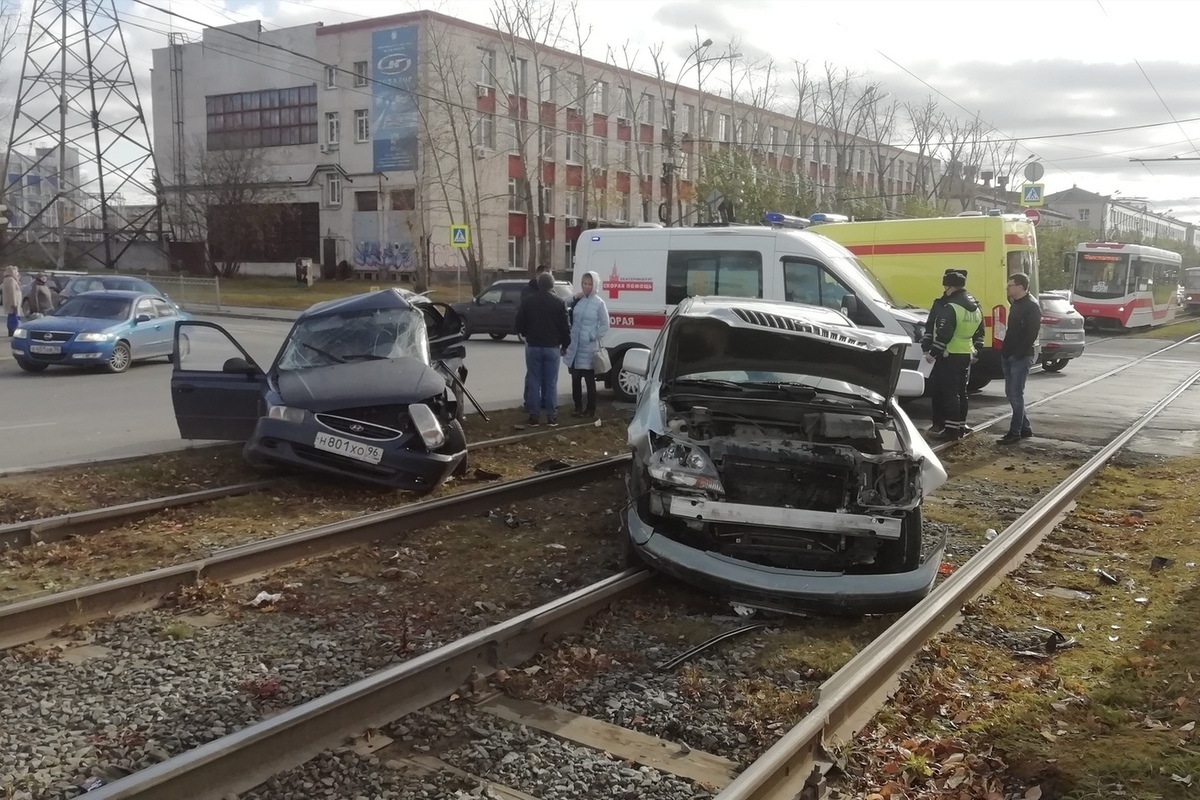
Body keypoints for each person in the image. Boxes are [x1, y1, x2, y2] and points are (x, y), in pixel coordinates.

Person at [924, 269, 984, 441]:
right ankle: (959, 426)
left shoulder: (951, 307)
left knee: (949, 393)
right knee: (961, 392)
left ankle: (950, 430)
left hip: (949, 354)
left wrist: (932, 352)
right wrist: (977, 350)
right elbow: (980, 331)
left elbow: (944, 334)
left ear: (949, 287)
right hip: (966, 353)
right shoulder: (975, 306)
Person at [515, 271, 570, 427]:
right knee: (551, 382)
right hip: (552, 347)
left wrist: (527, 334)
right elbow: (565, 327)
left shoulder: (528, 301)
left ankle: (534, 416)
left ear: (538, 284)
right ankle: (552, 416)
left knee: (534, 380)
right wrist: (565, 344)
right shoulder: (559, 303)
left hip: (533, 346)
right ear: (552, 285)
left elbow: (519, 323)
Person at [998, 272, 1040, 445]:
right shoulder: (1017, 304)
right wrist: (1005, 351)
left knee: (1016, 394)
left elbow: (1032, 332)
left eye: (1011, 284)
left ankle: (1015, 432)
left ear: (1021, 286)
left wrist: (1019, 353)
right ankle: (1025, 427)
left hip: (1020, 356)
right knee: (1011, 393)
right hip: (1009, 354)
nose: (1008, 286)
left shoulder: (1031, 306)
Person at [563, 270, 610, 418]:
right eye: (584, 283)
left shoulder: (599, 303)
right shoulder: (579, 300)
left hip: (589, 348)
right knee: (575, 378)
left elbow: (605, 324)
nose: (587, 286)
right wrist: (574, 297)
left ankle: (591, 408)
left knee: (589, 379)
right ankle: (577, 407)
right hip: (575, 346)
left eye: (590, 284)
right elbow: (562, 304)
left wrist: (592, 335)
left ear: (595, 285)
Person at [2, 266, 21, 336]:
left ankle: (12, 331)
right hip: (13, 303)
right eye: (16, 271)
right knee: (13, 318)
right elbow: (12, 292)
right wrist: (14, 304)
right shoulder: (11, 280)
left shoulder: (8, 279)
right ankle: (13, 332)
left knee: (12, 317)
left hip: (11, 303)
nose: (17, 273)